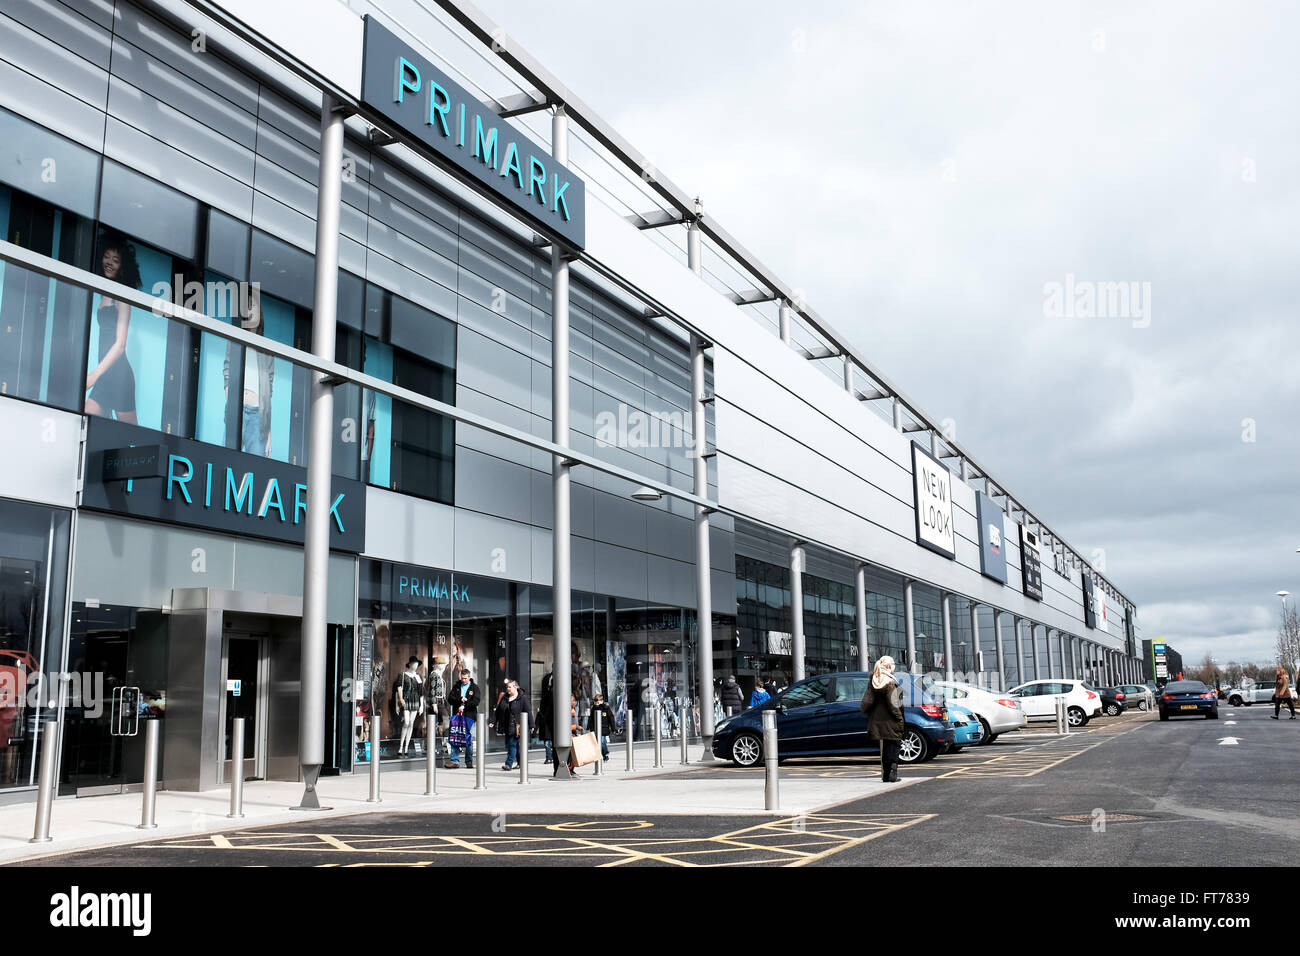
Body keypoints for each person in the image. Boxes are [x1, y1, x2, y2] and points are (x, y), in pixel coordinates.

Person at [85, 234, 141, 423]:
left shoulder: (122, 299)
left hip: (118, 376)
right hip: (105, 373)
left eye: (115, 260)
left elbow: (120, 344)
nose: (109, 263)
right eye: (106, 257)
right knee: (86, 420)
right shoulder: (104, 294)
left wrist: (94, 374)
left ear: (122, 267)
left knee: (131, 436)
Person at [223, 295, 275, 456]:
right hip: (237, 408)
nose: (251, 311)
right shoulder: (235, 341)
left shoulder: (267, 350)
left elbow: (269, 394)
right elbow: (227, 373)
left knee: (255, 467)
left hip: (258, 416)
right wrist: (231, 403)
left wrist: (269, 435)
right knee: (227, 460)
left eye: (254, 307)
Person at [861, 655, 904, 783]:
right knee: (895, 744)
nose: (894, 666)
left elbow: (869, 699)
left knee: (886, 747)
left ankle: (886, 775)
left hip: (878, 719)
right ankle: (892, 774)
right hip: (891, 719)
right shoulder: (890, 681)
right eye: (893, 663)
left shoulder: (875, 679)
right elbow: (893, 704)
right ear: (889, 666)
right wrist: (899, 718)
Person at [446, 668, 481, 768]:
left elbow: (476, 702)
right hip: (457, 716)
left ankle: (469, 761)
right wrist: (459, 699)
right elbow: (450, 699)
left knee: (468, 738)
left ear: (469, 677)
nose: (463, 680)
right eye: (462, 678)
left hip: (469, 716)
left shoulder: (474, 688)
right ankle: (454, 761)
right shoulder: (456, 687)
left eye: (465, 678)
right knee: (455, 736)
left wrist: (465, 704)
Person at [494, 679, 532, 770]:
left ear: (516, 687)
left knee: (512, 744)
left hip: (518, 726)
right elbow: (499, 711)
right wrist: (493, 721)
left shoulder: (522, 698)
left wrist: (532, 725)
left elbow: (528, 712)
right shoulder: (505, 697)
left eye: (510, 687)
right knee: (515, 745)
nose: (508, 689)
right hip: (507, 725)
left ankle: (508, 764)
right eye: (507, 687)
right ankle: (520, 763)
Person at [395, 656, 423, 757]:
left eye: (417, 664)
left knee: (411, 723)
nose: (416, 665)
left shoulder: (418, 676)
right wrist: (400, 700)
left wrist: (421, 706)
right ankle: (400, 746)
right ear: (410, 664)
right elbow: (399, 688)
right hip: (406, 701)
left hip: (415, 701)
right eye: (414, 663)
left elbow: (421, 692)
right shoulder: (403, 675)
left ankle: (406, 746)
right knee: (406, 722)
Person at [586, 692, 617, 761]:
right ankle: (601, 755)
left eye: (598, 701)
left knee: (603, 742)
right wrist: (589, 727)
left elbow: (611, 718)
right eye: (595, 701)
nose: (597, 702)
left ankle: (605, 753)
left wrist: (613, 728)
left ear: (602, 701)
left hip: (603, 728)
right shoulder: (593, 709)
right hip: (595, 728)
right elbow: (591, 718)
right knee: (597, 742)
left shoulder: (606, 708)